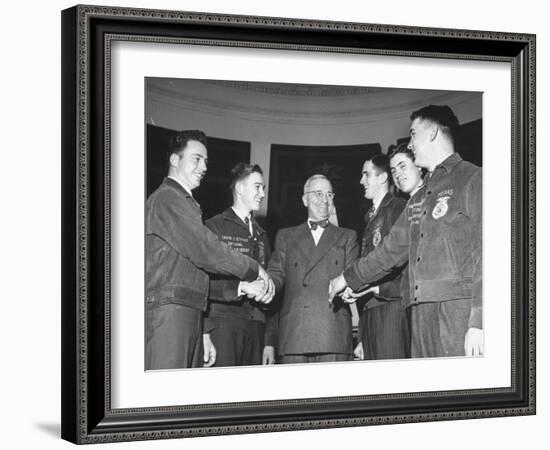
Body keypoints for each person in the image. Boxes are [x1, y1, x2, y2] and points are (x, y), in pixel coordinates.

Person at [330, 105, 483, 358]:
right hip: (418, 315)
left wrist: (479, 321)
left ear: (433, 132)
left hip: (457, 314)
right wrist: (345, 278)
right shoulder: (418, 197)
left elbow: (487, 254)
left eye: (413, 134)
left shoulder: (473, 178)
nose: (410, 143)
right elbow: (388, 253)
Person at [145, 130, 274, 370]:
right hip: (171, 310)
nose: (204, 167)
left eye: (206, 161)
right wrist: (253, 269)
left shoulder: (185, 202)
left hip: (188, 308)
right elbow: (206, 250)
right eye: (196, 159)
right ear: (175, 160)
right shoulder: (167, 198)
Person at [267, 174, 358, 363]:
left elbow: (354, 276)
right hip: (295, 335)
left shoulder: (347, 236)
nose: (324, 200)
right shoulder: (286, 236)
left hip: (333, 334)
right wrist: (263, 286)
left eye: (329, 194)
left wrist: (350, 290)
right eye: (318, 193)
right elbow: (276, 276)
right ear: (304, 199)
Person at [204, 163, 277, 367]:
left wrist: (270, 340)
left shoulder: (262, 235)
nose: (262, 194)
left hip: (256, 328)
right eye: (257, 187)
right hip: (223, 325)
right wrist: (205, 331)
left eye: (263, 188)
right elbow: (201, 282)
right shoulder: (214, 226)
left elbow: (272, 287)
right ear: (239, 188)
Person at [349, 154, 409, 361]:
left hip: (391, 310)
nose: (361, 181)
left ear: (383, 178)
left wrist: (378, 288)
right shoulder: (370, 217)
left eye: (366, 174)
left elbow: (404, 265)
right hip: (371, 312)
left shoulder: (398, 208)